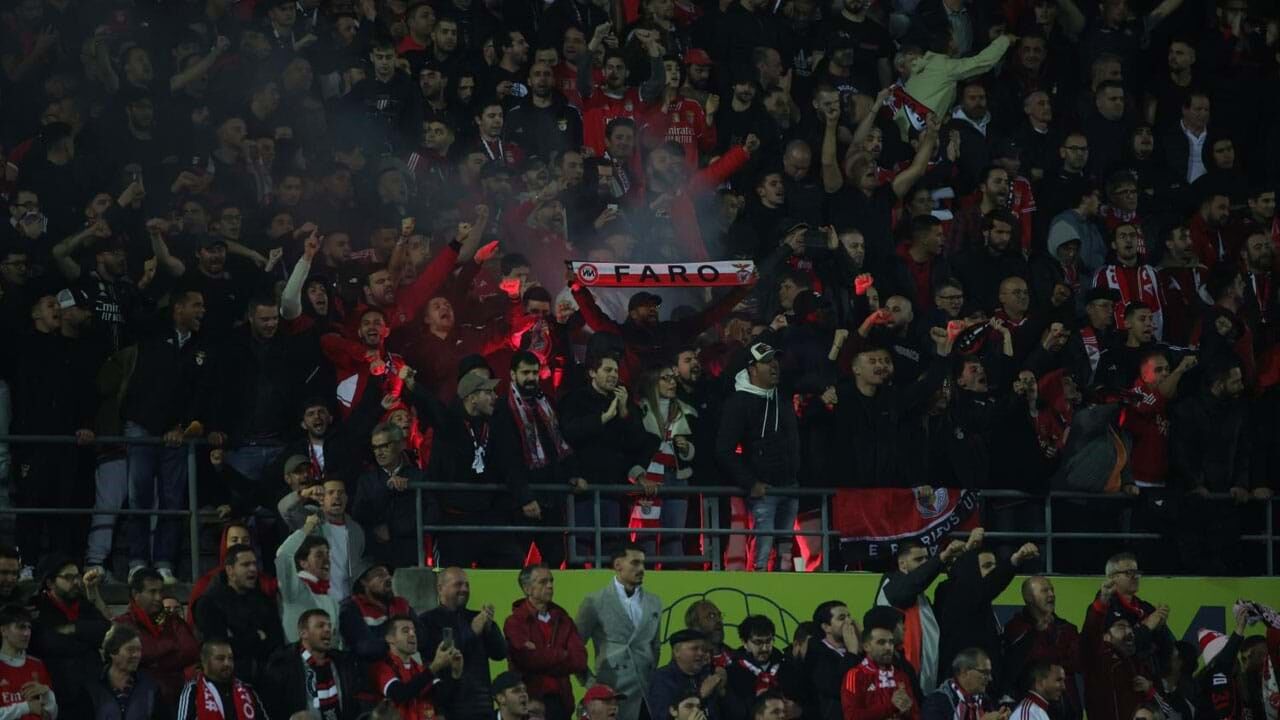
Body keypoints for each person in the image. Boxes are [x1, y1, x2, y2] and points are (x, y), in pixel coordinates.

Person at [490, 351, 582, 569]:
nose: (531, 378)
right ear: (513, 375)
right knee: (513, 560)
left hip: (551, 497)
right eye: (525, 373)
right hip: (520, 502)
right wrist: (525, 497)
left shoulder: (547, 403)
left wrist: (573, 474)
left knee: (556, 557)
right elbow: (507, 458)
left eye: (534, 372)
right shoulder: (503, 408)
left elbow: (560, 444)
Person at [560, 352, 655, 559]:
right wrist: (603, 418)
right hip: (583, 489)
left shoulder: (624, 401)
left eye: (616, 371)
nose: (613, 375)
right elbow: (569, 434)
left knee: (613, 550)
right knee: (581, 549)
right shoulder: (576, 399)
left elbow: (637, 443)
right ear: (592, 373)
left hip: (614, 490)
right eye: (607, 370)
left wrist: (623, 412)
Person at [716, 342, 800, 571]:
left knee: (785, 550)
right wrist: (750, 483)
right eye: (766, 362)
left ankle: (782, 586)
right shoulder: (738, 402)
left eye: (775, 360)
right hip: (763, 489)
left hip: (790, 485)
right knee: (762, 551)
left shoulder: (782, 397)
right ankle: (757, 586)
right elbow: (723, 450)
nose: (774, 365)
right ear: (752, 369)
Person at [934, 535, 1041, 682]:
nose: (993, 571)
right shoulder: (955, 593)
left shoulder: (982, 600)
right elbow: (988, 583)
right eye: (987, 566)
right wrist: (1015, 560)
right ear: (971, 569)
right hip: (961, 684)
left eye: (994, 566)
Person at [576, 544, 663, 720]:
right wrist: (592, 684)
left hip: (646, 695)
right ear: (618, 565)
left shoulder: (655, 602)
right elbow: (574, 649)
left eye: (643, 564)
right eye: (635, 563)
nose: (641, 569)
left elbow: (655, 646)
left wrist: (650, 676)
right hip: (611, 694)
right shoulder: (594, 602)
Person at [874, 538, 969, 694]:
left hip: (923, 686)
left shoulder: (922, 599)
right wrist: (941, 558)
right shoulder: (891, 584)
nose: (925, 563)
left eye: (926, 559)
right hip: (896, 686)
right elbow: (910, 587)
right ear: (902, 564)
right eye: (918, 559)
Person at [419, 567, 508, 720]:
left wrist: (490, 628)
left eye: (467, 585)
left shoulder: (477, 618)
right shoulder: (427, 621)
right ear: (440, 589)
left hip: (482, 705)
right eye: (458, 584)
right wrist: (472, 632)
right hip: (449, 704)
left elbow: (500, 654)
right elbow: (436, 657)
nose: (464, 589)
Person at [30, 555, 111, 718]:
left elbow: (106, 631)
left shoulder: (83, 604)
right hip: (59, 694)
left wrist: (74, 628)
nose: (76, 582)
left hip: (92, 694)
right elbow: (50, 643)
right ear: (50, 583)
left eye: (77, 576)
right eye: (68, 577)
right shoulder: (38, 608)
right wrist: (87, 638)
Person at [503, 564, 588, 720]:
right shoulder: (515, 622)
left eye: (551, 581)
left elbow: (579, 660)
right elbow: (526, 659)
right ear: (527, 589)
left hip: (561, 701)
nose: (550, 586)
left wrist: (540, 654)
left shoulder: (564, 620)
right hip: (530, 701)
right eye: (543, 582)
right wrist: (563, 654)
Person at [193, 544, 285, 686]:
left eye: (254, 564)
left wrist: (238, 638)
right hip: (227, 682)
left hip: (266, 679)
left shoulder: (264, 601)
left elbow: (276, 641)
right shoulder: (209, 603)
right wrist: (257, 637)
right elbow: (218, 648)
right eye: (246, 565)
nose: (253, 569)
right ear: (230, 570)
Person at [113, 567, 199, 710]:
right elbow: (128, 660)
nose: (159, 597)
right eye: (152, 592)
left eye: (161, 591)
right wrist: (169, 651)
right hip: (137, 701)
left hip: (174, 698)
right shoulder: (123, 624)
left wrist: (152, 661)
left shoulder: (173, 621)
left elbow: (191, 651)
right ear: (136, 594)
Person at [999, 578, 1081, 720]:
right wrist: (1036, 633)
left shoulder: (1067, 629)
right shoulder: (1015, 630)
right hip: (1032, 708)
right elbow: (1013, 670)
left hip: (1067, 710)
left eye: (1052, 590)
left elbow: (1079, 664)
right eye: (1044, 590)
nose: (1051, 594)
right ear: (1029, 597)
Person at [262, 608, 363, 719]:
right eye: (320, 626)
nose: (328, 630)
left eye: (329, 626)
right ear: (303, 633)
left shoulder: (343, 662)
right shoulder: (283, 665)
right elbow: (272, 708)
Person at [353, 421, 427, 568]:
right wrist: (386, 489)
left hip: (410, 555)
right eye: (375, 447)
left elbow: (431, 513)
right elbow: (358, 515)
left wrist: (397, 529)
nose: (379, 453)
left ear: (401, 445)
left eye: (384, 446)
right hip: (376, 559)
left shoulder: (418, 478)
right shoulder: (366, 481)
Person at [370, 614, 463, 720]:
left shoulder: (420, 668)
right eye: (405, 631)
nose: (412, 634)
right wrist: (434, 667)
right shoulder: (382, 667)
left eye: (414, 631)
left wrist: (456, 673)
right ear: (389, 638)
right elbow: (400, 695)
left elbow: (443, 697)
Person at [277, 513, 343, 648]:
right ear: (303, 563)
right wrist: (307, 527)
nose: (327, 560)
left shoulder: (332, 601)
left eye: (328, 554)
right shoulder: (294, 589)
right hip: (297, 659)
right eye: (319, 555)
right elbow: (283, 555)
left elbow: (336, 642)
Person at [840, 607, 918, 720]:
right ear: (866, 646)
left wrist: (907, 710)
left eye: (891, 642)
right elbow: (851, 717)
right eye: (881, 642)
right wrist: (891, 706)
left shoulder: (901, 675)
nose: (888, 647)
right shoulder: (854, 675)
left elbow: (915, 713)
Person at [339, 559, 416, 664]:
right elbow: (363, 646)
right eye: (380, 575)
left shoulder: (401, 604)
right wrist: (399, 643)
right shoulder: (351, 607)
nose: (388, 578)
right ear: (364, 582)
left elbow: (422, 636)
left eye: (388, 575)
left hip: (404, 668)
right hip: (369, 670)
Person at [176, 639, 270, 720]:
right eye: (220, 659)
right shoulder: (193, 690)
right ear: (205, 662)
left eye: (230, 658)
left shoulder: (247, 690)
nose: (227, 663)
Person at [648, 629, 726, 720]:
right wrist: (700, 695)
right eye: (694, 648)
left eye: (704, 649)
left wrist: (722, 692)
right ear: (676, 652)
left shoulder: (708, 674)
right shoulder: (662, 679)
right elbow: (661, 716)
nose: (701, 653)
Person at [88, 623, 162, 719]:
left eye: (139, 650)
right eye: (130, 650)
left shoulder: (149, 687)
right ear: (113, 652)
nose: (137, 655)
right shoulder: (92, 688)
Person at [807, 601, 862, 720]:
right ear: (826, 627)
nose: (849, 621)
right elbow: (836, 687)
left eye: (849, 616)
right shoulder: (816, 653)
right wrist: (852, 653)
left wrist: (862, 644)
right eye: (842, 618)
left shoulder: (859, 649)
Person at [0, 604, 57, 718]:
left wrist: (47, 695)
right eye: (21, 627)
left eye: (29, 627)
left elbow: (51, 716)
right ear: (3, 630)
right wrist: (26, 707)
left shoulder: (37, 665)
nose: (27, 633)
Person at [920, 649, 1002, 720]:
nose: (990, 678)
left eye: (989, 673)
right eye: (984, 673)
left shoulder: (985, 701)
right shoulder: (936, 702)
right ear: (964, 672)